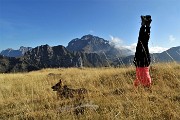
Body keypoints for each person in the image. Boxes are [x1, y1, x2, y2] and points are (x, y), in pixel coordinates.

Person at [133, 15, 152, 87]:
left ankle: (147, 25)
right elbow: (136, 84)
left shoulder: (147, 82)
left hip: (145, 62)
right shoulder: (142, 82)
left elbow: (136, 83)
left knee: (144, 42)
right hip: (140, 62)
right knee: (142, 41)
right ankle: (145, 25)